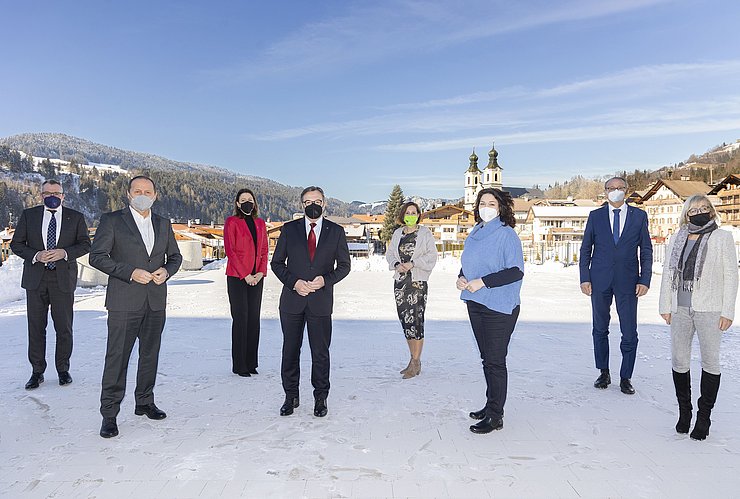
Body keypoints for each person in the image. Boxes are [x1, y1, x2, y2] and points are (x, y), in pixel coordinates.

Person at [89, 175, 182, 438]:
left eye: (148, 191)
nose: (142, 194)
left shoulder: (163, 223)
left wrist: (166, 270)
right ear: (128, 194)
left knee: (150, 355)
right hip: (124, 301)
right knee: (117, 358)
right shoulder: (112, 221)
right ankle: (109, 414)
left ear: (155, 195)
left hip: (155, 300)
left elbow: (175, 256)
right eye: (137, 190)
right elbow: (97, 257)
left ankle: (144, 402)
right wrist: (130, 272)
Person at [658, 195, 738, 441]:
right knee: (679, 360)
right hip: (680, 307)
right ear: (686, 213)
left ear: (712, 211)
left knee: (710, 362)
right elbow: (668, 272)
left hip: (710, 308)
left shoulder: (722, 237)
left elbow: (731, 276)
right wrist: (665, 304)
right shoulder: (677, 237)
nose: (700, 211)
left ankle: (704, 417)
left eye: (705, 208)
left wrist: (728, 311)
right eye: (694, 209)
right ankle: (685, 412)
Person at [270, 186, 351, 418]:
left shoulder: (336, 232)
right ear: (301, 205)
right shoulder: (289, 229)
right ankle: (290, 396)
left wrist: (324, 281)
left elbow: (344, 266)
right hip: (292, 302)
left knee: (320, 353)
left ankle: (320, 398)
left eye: (317, 201)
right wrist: (294, 283)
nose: (312, 205)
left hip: (320, 302)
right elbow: (277, 264)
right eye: (307, 202)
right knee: (290, 351)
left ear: (325, 203)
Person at [10, 179, 90, 389]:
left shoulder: (76, 217)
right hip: (35, 279)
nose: (52, 196)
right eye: (47, 193)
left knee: (64, 327)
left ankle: (63, 369)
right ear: (41, 195)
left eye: (56, 193)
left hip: (62, 279)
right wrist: (36, 255)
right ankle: (37, 372)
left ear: (63, 196)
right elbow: (16, 244)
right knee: (36, 327)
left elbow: (85, 244)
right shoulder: (29, 216)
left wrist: (64, 253)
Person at [456, 188, 523, 434]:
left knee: (495, 361)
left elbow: (515, 271)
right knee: (487, 359)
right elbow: (470, 265)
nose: (486, 207)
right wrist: (462, 277)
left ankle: (496, 416)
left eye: (491, 203)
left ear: (501, 207)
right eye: (482, 202)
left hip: (499, 307)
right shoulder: (476, 233)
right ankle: (491, 404)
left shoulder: (507, 235)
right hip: (476, 302)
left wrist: (482, 281)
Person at [580, 176, 652, 395]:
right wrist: (584, 277)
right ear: (605, 192)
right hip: (599, 279)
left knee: (629, 331)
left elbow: (646, 251)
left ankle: (625, 376)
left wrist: (645, 279)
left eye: (620, 188)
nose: (616, 191)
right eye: (611, 188)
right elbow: (586, 249)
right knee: (599, 328)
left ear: (627, 190)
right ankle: (603, 371)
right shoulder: (595, 216)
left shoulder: (639, 216)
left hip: (628, 281)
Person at [386, 201, 437, 379]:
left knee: (416, 320)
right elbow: (390, 253)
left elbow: (432, 256)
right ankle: (412, 359)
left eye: (414, 212)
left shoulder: (424, 233)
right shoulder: (397, 233)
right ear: (403, 214)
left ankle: (416, 361)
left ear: (418, 214)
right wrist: (396, 264)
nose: (410, 215)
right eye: (407, 212)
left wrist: (413, 263)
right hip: (400, 283)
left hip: (417, 282)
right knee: (406, 321)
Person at [224, 188, 269, 377]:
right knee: (241, 319)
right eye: (243, 200)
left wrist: (260, 272)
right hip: (237, 277)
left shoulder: (260, 223)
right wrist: (246, 275)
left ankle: (251, 363)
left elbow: (265, 250)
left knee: (254, 320)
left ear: (255, 203)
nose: (247, 203)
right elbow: (230, 251)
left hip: (256, 278)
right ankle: (240, 365)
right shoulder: (232, 222)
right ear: (237, 204)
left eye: (250, 199)